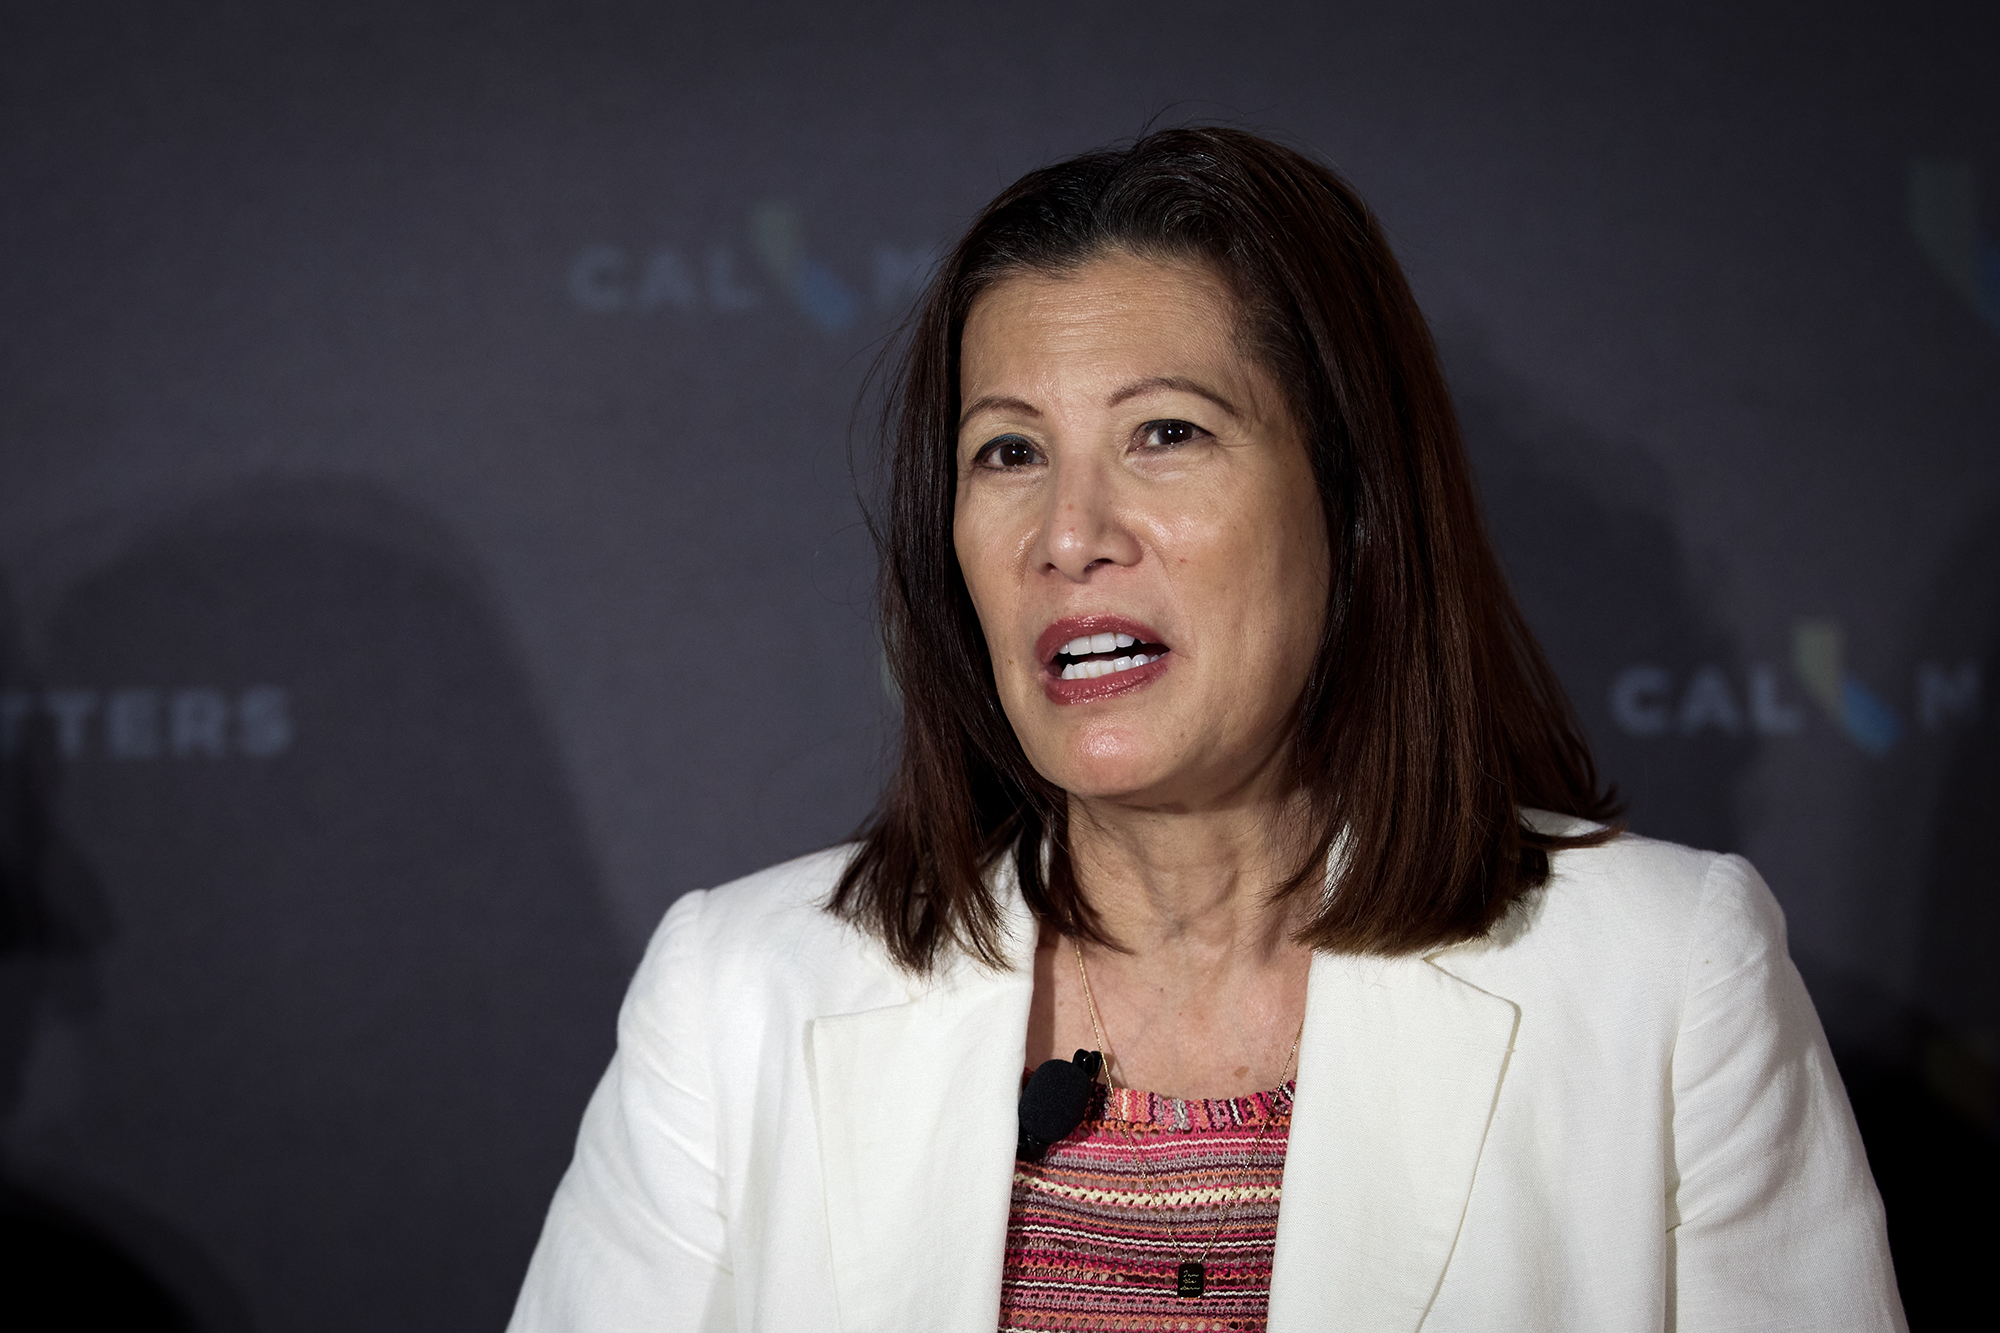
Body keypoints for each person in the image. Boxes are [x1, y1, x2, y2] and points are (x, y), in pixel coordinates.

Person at [507, 127, 1904, 1332]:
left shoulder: (1667, 983)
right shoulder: (736, 996)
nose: (1070, 533)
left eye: (1166, 433)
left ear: (1353, 510)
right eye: (1008, 452)